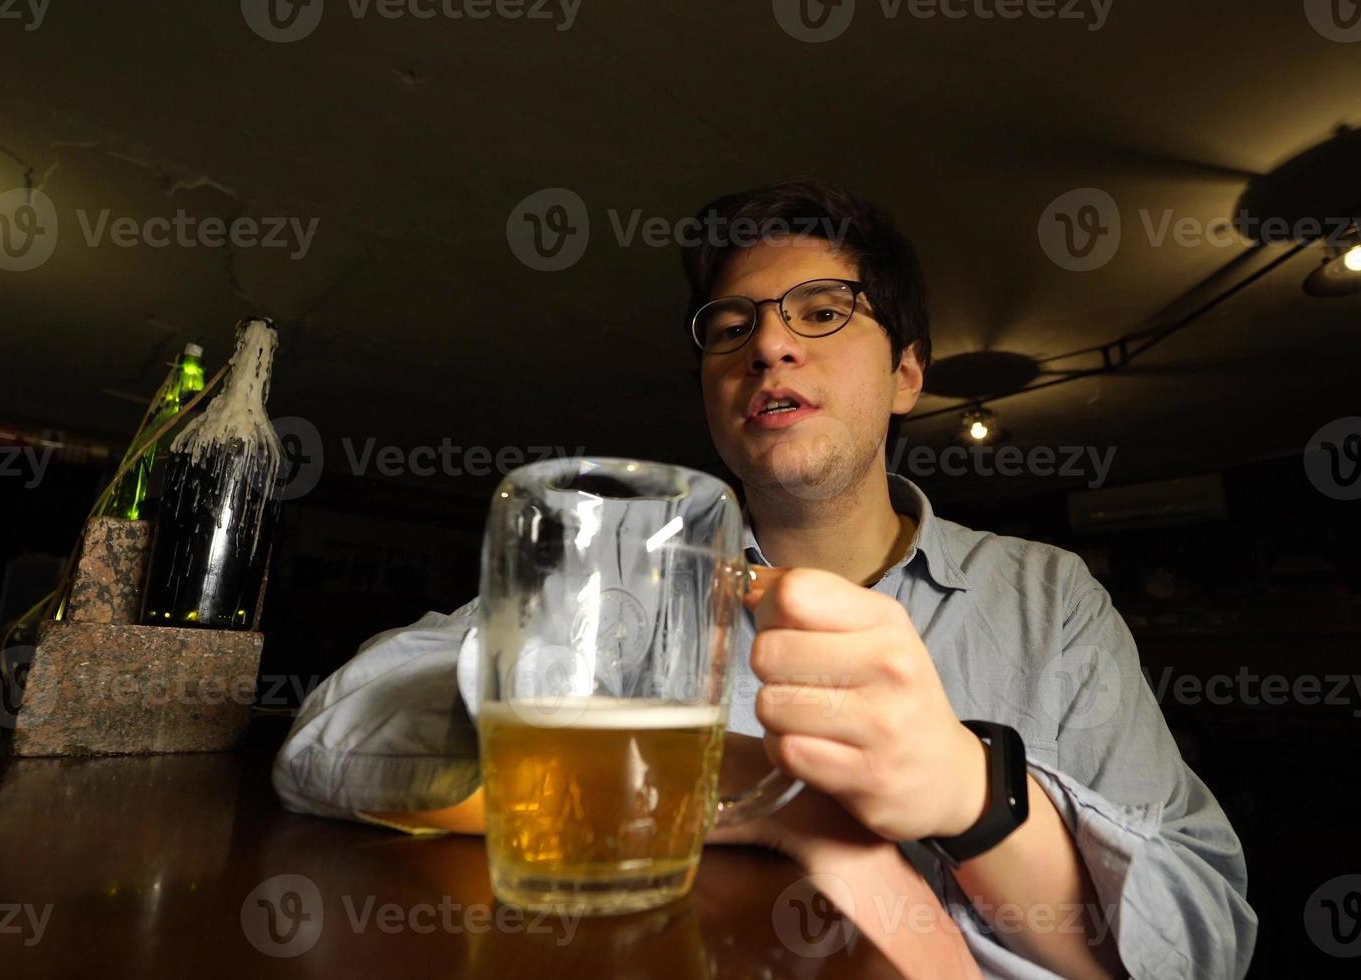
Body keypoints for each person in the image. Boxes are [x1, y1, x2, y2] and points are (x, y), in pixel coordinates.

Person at [274, 178, 1257, 979]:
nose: (768, 346)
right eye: (729, 327)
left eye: (822, 312)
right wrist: (772, 795)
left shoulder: (1048, 597)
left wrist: (971, 788)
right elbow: (327, 735)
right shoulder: (623, 576)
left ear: (908, 373)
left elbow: (1205, 936)